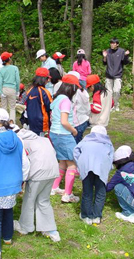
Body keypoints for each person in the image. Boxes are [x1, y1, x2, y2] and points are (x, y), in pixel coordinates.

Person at [0, 108, 30, 259]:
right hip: (14, 182)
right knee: (9, 208)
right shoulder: (17, 138)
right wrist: (22, 180)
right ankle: (8, 237)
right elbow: (25, 162)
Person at [13, 127, 61, 242]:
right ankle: (50, 230)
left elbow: (22, 162)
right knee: (43, 200)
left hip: (38, 173)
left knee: (29, 199)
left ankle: (25, 227)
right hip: (53, 171)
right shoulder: (43, 139)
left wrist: (21, 180)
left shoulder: (20, 141)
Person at [73, 126, 114, 225]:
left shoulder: (85, 142)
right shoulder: (107, 144)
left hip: (86, 168)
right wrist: (108, 167)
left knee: (87, 192)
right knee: (100, 192)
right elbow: (112, 157)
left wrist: (79, 163)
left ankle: (86, 216)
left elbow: (75, 152)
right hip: (101, 169)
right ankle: (96, 216)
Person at [50, 74, 80, 203]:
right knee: (72, 164)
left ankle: (54, 187)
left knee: (62, 161)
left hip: (54, 133)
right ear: (72, 87)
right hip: (64, 134)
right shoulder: (66, 101)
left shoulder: (56, 98)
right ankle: (68, 194)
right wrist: (73, 131)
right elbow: (64, 121)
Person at [103, 38, 130, 111]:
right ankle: (110, 106)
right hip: (108, 74)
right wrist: (105, 57)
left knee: (116, 91)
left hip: (118, 75)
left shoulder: (121, 51)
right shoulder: (108, 51)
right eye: (111, 43)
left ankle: (116, 105)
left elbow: (125, 62)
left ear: (117, 44)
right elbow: (104, 63)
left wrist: (126, 55)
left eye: (113, 43)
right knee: (109, 92)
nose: (112, 44)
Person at [25, 68, 53, 136]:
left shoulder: (30, 90)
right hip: (42, 123)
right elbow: (50, 107)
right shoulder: (44, 92)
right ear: (44, 79)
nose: (48, 81)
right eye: (47, 79)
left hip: (31, 120)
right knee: (41, 140)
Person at [68, 71, 90, 143]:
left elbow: (70, 107)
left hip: (76, 122)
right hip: (84, 120)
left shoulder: (75, 92)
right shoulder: (83, 90)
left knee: (74, 145)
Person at [0, 52, 20, 123]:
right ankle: (12, 123)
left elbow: (0, 82)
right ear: (9, 59)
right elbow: (17, 80)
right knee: (12, 108)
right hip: (12, 89)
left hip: (4, 89)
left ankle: (4, 123)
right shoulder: (15, 68)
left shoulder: (1, 70)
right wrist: (17, 90)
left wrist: (0, 92)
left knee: (4, 107)